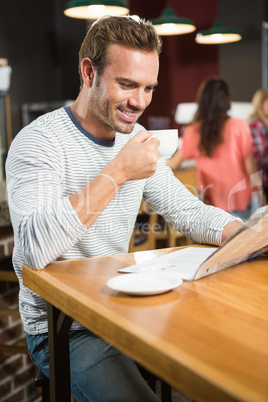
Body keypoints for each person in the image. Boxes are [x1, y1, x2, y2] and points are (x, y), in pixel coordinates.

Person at [6, 17, 242, 401]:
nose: (140, 101)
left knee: (222, 370)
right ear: (88, 72)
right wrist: (116, 173)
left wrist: (246, 236)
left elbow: (189, 211)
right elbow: (33, 249)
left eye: (149, 87)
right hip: (63, 328)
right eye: (127, 84)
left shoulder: (132, 139)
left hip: (122, 308)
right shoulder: (39, 142)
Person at [167, 77, 264, 221]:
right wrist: (262, 193)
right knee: (242, 241)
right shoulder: (239, 126)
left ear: (202, 100)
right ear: (226, 100)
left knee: (217, 243)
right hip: (240, 198)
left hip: (212, 204)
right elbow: (250, 166)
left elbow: (174, 164)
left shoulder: (193, 130)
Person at [248, 88, 268, 201]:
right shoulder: (256, 126)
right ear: (261, 104)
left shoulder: (264, 124)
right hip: (261, 181)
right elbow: (259, 159)